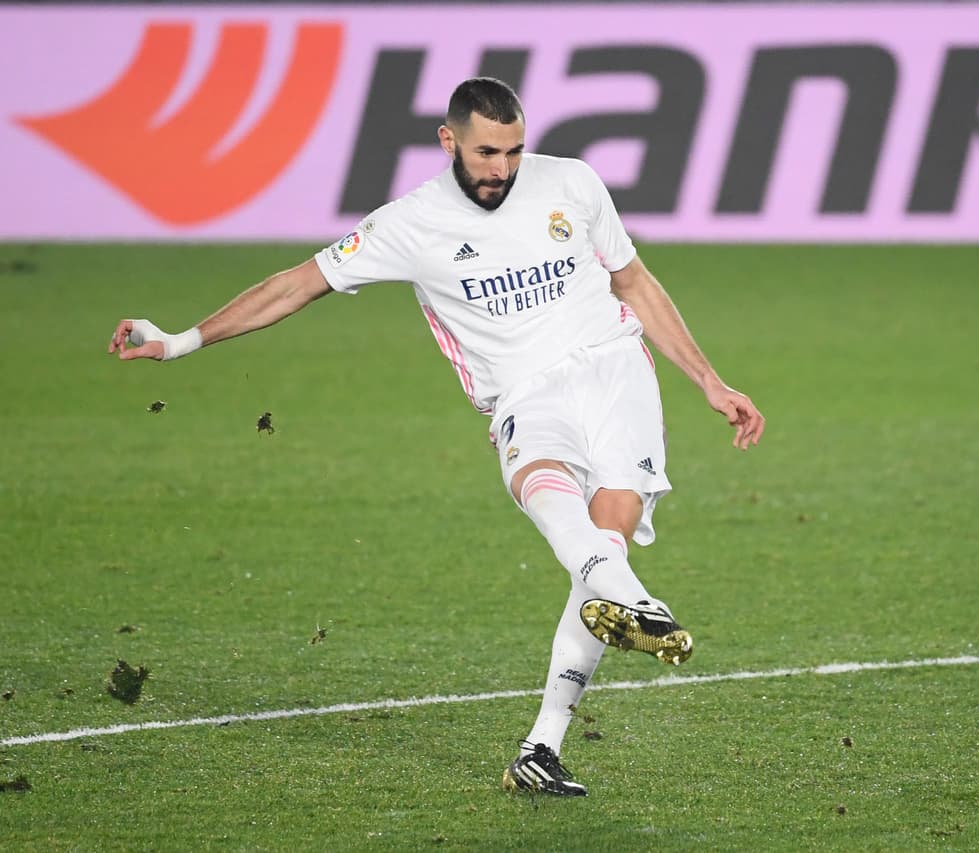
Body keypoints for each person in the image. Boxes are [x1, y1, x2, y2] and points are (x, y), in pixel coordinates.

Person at [108, 77, 765, 797]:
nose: (501, 168)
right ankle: (636, 603)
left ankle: (544, 742)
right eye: (486, 151)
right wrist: (180, 343)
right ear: (449, 140)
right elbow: (298, 282)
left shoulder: (573, 185)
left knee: (606, 536)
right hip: (524, 390)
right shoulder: (411, 223)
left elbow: (634, 282)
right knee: (550, 493)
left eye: (514, 151)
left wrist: (709, 379)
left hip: (617, 372)